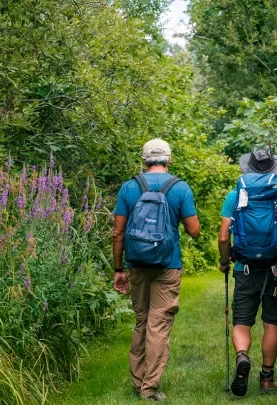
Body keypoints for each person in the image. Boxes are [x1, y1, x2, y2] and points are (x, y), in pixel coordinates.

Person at [112, 139, 200, 402]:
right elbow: (194, 231)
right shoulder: (180, 188)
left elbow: (118, 232)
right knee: (158, 325)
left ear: (143, 160)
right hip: (167, 265)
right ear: (169, 160)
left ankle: (138, 382)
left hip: (136, 264)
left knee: (141, 321)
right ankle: (149, 389)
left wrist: (119, 269)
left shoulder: (129, 188)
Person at [218, 146, 277, 397]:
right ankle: (267, 379)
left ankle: (242, 357)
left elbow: (224, 237)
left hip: (244, 267)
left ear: (249, 167)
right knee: (271, 323)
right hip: (276, 268)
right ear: (272, 170)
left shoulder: (234, 196)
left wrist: (225, 260)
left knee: (242, 321)